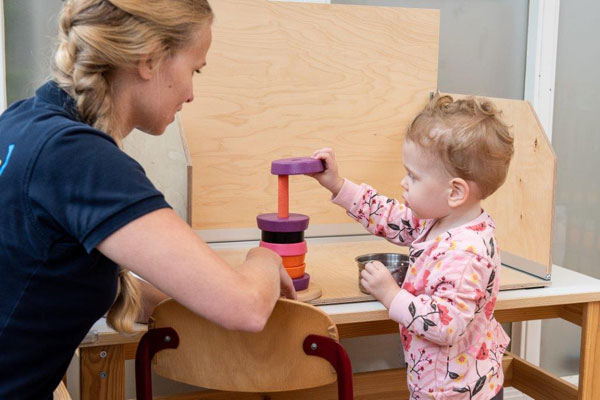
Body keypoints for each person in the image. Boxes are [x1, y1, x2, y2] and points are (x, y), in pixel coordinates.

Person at [0, 1, 295, 398]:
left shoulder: (23, 122)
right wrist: (265, 259)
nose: (191, 93)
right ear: (149, 60)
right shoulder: (79, 158)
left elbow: (54, 284)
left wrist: (198, 292)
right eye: (195, 69)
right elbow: (246, 307)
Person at [310, 94, 514, 399]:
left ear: (455, 192)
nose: (403, 183)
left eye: (413, 176)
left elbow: (446, 325)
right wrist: (338, 185)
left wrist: (391, 294)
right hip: (438, 386)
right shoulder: (438, 220)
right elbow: (390, 217)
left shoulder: (466, 254)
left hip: (457, 394)